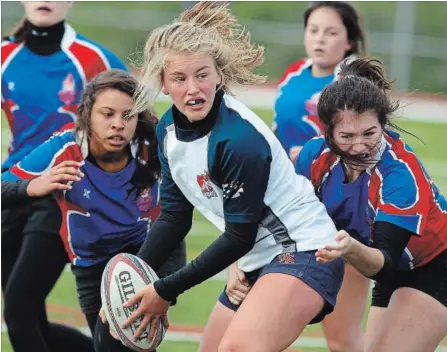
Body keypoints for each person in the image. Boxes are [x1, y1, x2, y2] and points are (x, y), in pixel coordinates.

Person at [112, 3, 345, 352]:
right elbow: (174, 218)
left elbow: (239, 236)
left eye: (202, 75)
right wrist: (131, 278)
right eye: (179, 78)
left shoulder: (238, 139)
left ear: (219, 74)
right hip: (257, 257)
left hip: (305, 250)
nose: (193, 89)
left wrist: (164, 289)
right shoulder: (168, 131)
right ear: (162, 83)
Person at [2, 69, 186, 352]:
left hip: (138, 264)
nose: (118, 124)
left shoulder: (157, 150)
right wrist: (31, 186)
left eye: (127, 115)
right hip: (90, 269)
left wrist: (164, 290)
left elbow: (174, 224)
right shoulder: (64, 147)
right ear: (87, 114)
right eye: (107, 114)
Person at [227, 3, 369, 351]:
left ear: (349, 40)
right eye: (314, 30)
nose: (320, 39)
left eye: (331, 32)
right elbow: (279, 132)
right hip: (292, 210)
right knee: (262, 324)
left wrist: (315, 154)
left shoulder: (354, 81)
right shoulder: (294, 74)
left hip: (340, 212)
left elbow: (367, 143)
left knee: (341, 336)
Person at [1, 2, 127, 351]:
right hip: (14, 189)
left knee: (19, 306)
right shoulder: (4, 55)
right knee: (24, 317)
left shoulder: (93, 59)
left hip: (64, 195)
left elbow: (137, 120)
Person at [302, 58, 447, 352]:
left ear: (383, 123)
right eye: (346, 136)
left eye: (370, 133)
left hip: (436, 264)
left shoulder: (400, 175)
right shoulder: (313, 157)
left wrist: (351, 250)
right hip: (393, 268)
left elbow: (383, 261)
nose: (359, 147)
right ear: (327, 132)